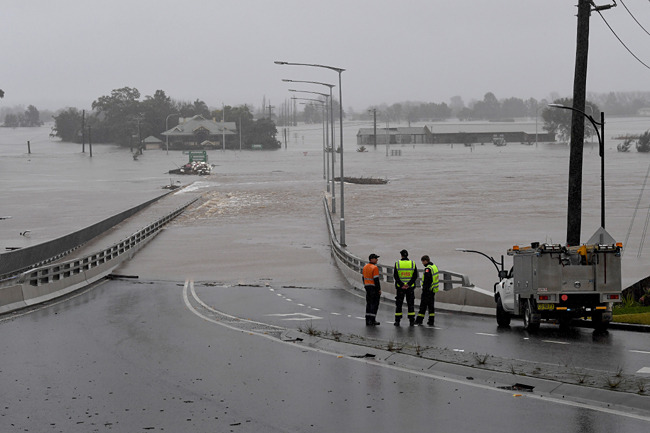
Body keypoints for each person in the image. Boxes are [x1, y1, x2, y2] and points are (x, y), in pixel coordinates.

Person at [393, 249, 418, 326]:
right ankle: (411, 321)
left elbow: (396, 276)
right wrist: (408, 284)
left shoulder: (397, 264)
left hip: (400, 288)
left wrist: (402, 285)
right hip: (410, 288)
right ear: (407, 255)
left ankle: (397, 321)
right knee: (410, 304)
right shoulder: (413, 263)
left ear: (401, 255)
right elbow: (415, 276)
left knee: (399, 304)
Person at [415, 255, 439, 326]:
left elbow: (427, 281)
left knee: (423, 306)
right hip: (433, 290)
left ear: (425, 261)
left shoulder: (428, 269)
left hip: (427, 290)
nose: (422, 263)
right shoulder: (434, 267)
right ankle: (431, 321)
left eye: (423, 262)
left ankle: (419, 320)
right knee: (431, 306)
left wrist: (424, 289)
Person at [361, 253, 382, 326]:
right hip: (373, 287)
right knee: (374, 304)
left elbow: (363, 278)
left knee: (369, 303)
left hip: (367, 287)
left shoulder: (365, 267)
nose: (377, 260)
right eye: (376, 258)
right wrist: (379, 289)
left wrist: (365, 285)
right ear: (371, 259)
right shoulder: (375, 268)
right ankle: (372, 320)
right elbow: (376, 280)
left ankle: (367, 320)